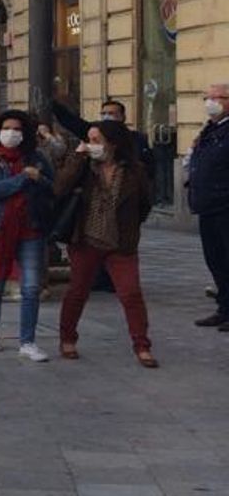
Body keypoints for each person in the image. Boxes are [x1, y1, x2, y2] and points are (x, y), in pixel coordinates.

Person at [54, 122, 157, 367]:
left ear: (113, 143)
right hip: (85, 239)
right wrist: (78, 157)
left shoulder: (134, 171)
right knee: (78, 291)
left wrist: (129, 226)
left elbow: (144, 204)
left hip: (121, 242)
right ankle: (67, 338)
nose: (92, 145)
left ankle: (142, 345)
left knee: (131, 293)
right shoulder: (83, 167)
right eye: (89, 139)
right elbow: (59, 188)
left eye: (97, 140)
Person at [0, 110, 55, 363]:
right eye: (7, 128)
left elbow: (53, 187)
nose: (12, 133)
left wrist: (38, 177)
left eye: (18, 129)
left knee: (30, 286)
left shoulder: (37, 157)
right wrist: (22, 179)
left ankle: (28, 341)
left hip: (30, 228)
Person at [191, 84, 229, 331]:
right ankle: (224, 308)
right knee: (215, 259)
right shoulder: (210, 129)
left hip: (225, 204)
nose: (210, 102)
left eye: (216, 97)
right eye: (208, 97)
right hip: (207, 204)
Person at [52, 97, 155, 176]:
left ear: (123, 117)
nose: (106, 116)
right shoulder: (94, 131)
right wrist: (54, 105)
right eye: (103, 113)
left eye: (111, 113)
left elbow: (148, 167)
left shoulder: (137, 138)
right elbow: (72, 122)